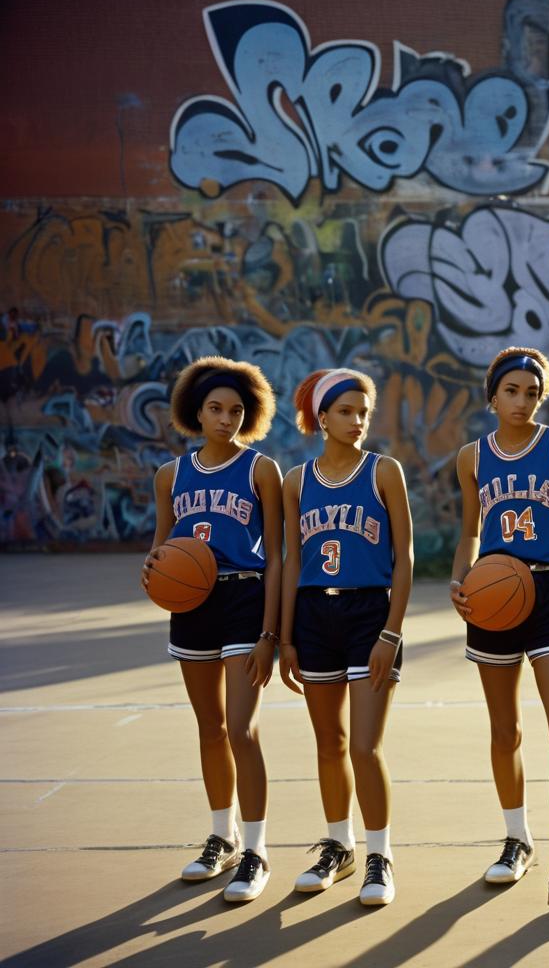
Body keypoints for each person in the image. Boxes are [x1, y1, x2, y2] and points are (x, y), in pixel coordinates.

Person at [450, 347, 549, 916]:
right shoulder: (472, 457)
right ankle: (517, 839)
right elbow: (470, 530)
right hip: (491, 598)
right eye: (511, 391)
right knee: (504, 729)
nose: (521, 401)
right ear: (492, 396)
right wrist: (460, 577)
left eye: (532, 393)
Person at [142, 356, 283, 902]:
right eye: (216, 409)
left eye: (236, 410)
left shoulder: (260, 470)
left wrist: (271, 632)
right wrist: (153, 571)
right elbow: (160, 549)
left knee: (243, 729)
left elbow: (275, 555)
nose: (226, 418)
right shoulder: (170, 476)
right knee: (210, 729)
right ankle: (220, 836)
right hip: (193, 605)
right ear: (195, 412)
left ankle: (256, 849)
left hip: (245, 598)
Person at [279, 368, 413, 907]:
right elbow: (291, 563)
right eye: (345, 411)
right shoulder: (297, 481)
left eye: (363, 411)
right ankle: (339, 845)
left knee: (364, 744)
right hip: (313, 614)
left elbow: (403, 558)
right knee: (329, 744)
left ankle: (380, 856)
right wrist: (285, 636)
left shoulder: (385, 472)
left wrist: (391, 631)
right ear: (320, 416)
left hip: (369, 613)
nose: (357, 421)